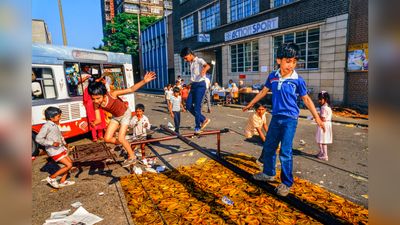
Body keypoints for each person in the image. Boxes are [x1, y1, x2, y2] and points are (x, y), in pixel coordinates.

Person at [243, 43, 324, 197]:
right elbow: (264, 91)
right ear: (279, 60)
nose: (291, 65)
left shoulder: (297, 80)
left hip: (290, 119)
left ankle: (286, 183)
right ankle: (268, 173)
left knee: (285, 152)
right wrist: (251, 103)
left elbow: (306, 99)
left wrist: (318, 118)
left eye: (294, 62)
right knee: (269, 146)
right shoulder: (273, 76)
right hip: (276, 117)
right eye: (288, 61)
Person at [88, 71, 156, 167]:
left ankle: (132, 157)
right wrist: (94, 123)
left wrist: (144, 81)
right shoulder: (96, 104)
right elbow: (98, 119)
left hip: (125, 114)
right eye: (93, 99)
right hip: (116, 117)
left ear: (104, 94)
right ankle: (126, 143)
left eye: (98, 98)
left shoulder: (113, 94)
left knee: (120, 137)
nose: (96, 101)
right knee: (107, 138)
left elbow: (131, 89)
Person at [36, 107, 75, 189]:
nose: (60, 118)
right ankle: (51, 178)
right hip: (54, 151)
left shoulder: (54, 125)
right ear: (51, 118)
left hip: (60, 149)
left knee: (70, 163)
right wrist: (52, 143)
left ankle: (62, 181)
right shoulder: (46, 126)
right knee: (69, 165)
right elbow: (38, 139)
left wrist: (65, 144)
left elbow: (59, 136)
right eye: (58, 116)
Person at [180, 47, 211, 134]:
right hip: (194, 85)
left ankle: (198, 127)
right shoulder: (191, 63)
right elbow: (194, 77)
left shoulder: (199, 60)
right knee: (188, 106)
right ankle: (203, 119)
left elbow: (207, 65)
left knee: (197, 107)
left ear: (190, 54)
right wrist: (189, 85)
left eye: (186, 58)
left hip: (200, 85)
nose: (185, 60)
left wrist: (204, 70)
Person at [83, 73, 107, 142]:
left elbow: (85, 99)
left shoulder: (87, 89)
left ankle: (95, 137)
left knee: (93, 120)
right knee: (99, 119)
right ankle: (100, 136)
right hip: (95, 105)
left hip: (90, 105)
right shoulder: (95, 89)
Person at [315, 91, 332, 161]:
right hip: (327, 124)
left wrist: (316, 115)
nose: (319, 100)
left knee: (322, 140)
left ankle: (325, 155)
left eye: (320, 99)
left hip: (323, 125)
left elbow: (323, 119)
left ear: (325, 99)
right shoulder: (327, 106)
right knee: (322, 139)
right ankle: (322, 152)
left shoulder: (323, 108)